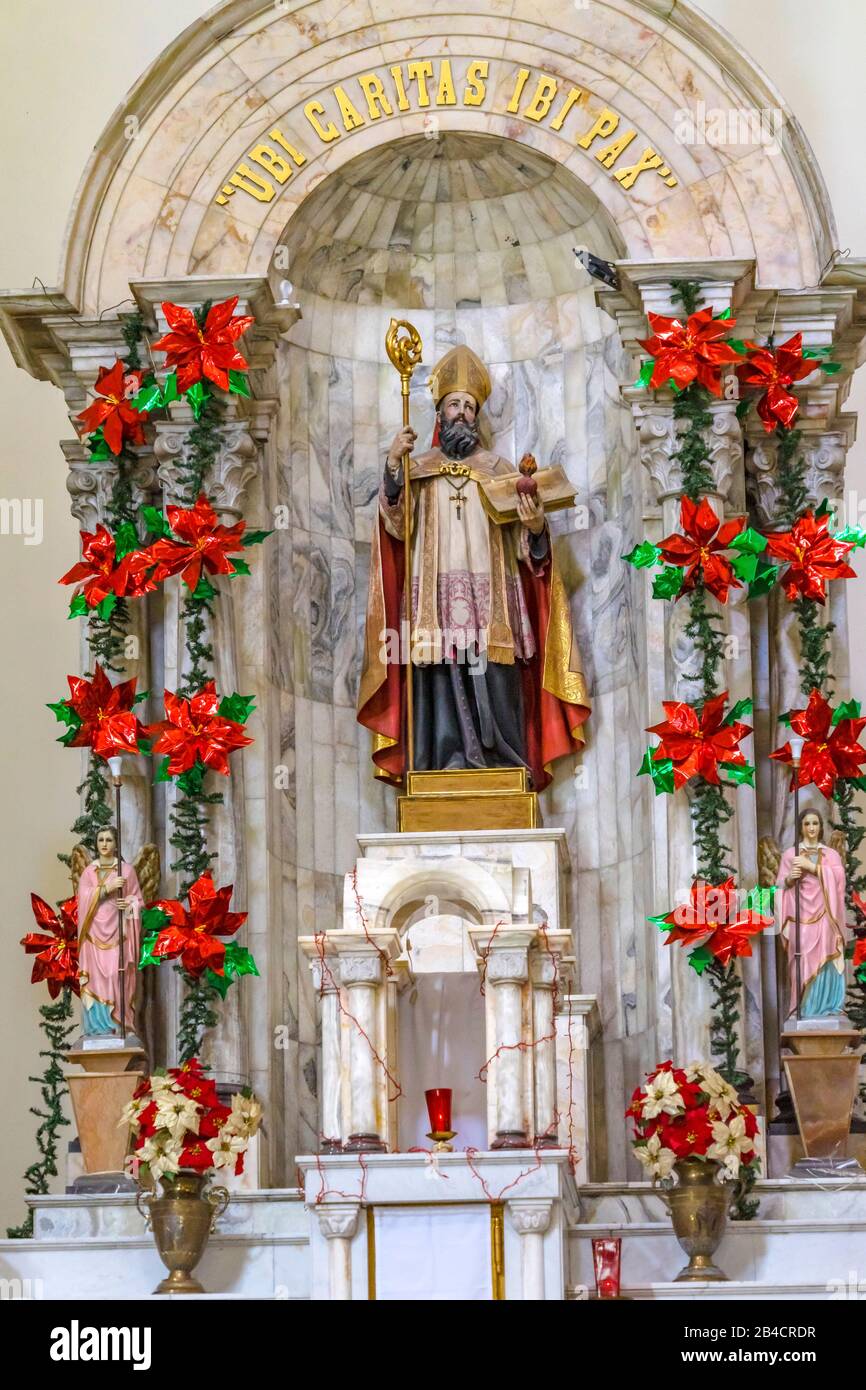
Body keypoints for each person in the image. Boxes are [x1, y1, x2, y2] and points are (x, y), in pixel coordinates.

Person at [357, 344, 590, 789]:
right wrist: (392, 465)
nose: (462, 413)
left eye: (469, 406)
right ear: (439, 415)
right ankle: (438, 769)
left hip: (491, 605)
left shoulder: (500, 472)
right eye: (454, 405)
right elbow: (396, 527)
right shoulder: (416, 471)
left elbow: (527, 551)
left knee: (495, 678)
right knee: (439, 685)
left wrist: (536, 525)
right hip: (433, 604)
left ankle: (501, 768)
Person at [775, 808, 847, 1018]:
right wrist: (789, 879)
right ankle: (804, 1008)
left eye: (815, 823)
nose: (811, 828)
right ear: (801, 827)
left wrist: (813, 867)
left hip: (827, 914)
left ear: (821, 827)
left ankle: (829, 1007)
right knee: (802, 956)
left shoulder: (831, 854)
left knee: (829, 954)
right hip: (801, 918)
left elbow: (839, 880)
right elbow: (779, 885)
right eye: (807, 824)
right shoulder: (791, 854)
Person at [77, 825, 143, 1037]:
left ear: (116, 844)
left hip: (118, 932)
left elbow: (138, 900)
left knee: (117, 975)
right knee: (96, 979)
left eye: (109, 840)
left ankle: (120, 1024)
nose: (104, 844)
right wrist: (107, 888)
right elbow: (82, 900)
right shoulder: (89, 871)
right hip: (92, 935)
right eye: (101, 840)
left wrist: (130, 905)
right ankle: (97, 1028)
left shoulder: (127, 870)